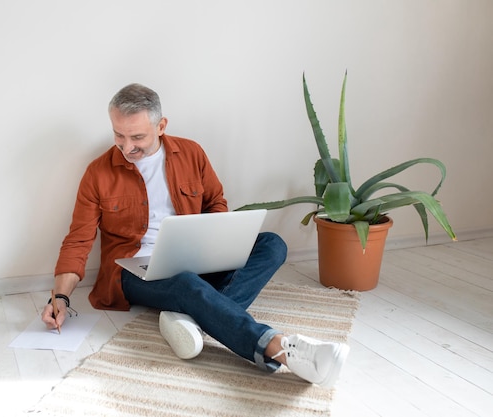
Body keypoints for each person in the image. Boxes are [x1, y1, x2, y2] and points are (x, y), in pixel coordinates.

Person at [42, 83, 349, 388]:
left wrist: (214, 244)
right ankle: (280, 348)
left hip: (196, 255)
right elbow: (78, 240)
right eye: (118, 135)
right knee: (186, 282)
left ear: (161, 126)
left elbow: (216, 202)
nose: (126, 147)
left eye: (137, 137)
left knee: (272, 244)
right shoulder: (98, 172)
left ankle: (188, 320)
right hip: (133, 270)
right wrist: (61, 296)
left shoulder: (191, 153)